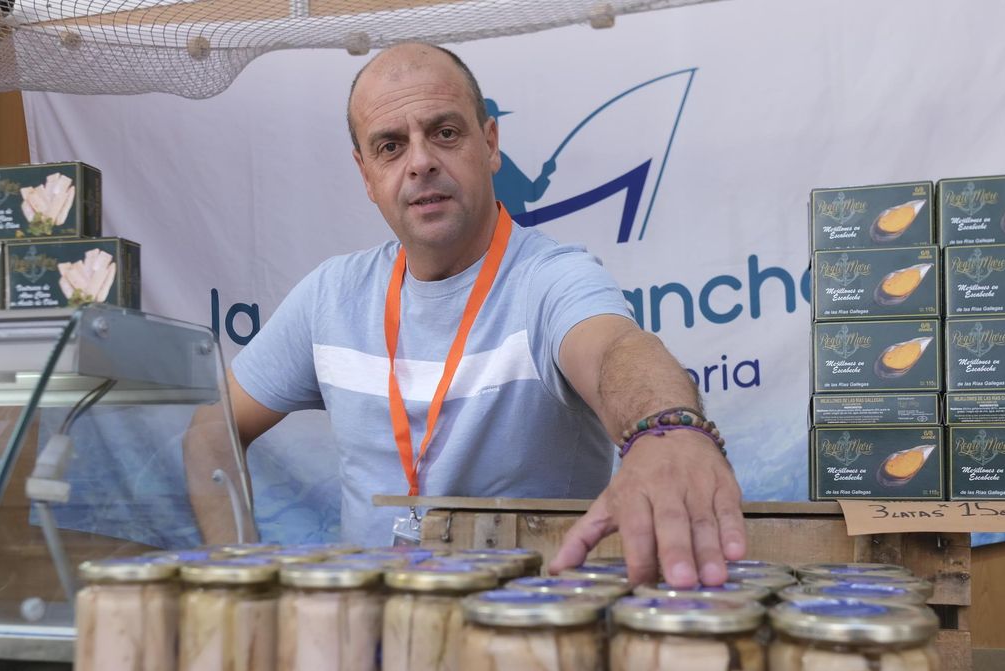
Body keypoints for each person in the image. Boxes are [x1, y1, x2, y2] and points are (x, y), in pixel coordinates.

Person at [186, 42, 744, 587]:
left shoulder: (550, 279)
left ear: (491, 143)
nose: (421, 162)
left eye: (445, 133)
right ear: (365, 174)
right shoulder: (329, 296)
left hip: (526, 639)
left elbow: (616, 350)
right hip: (369, 642)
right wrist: (233, 567)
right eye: (390, 146)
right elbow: (212, 426)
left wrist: (667, 431)